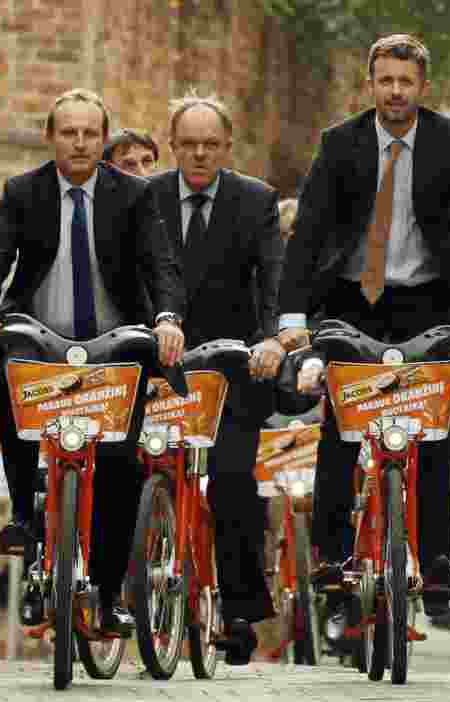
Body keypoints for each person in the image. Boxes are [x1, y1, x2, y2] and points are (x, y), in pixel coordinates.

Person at [277, 34, 450, 622]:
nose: (396, 92)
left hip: (427, 302)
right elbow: (308, 236)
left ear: (421, 87)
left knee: (432, 429)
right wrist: (294, 319)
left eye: (406, 82)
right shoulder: (340, 143)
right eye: (386, 81)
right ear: (370, 83)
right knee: (341, 423)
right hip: (351, 302)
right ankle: (331, 552)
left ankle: (433, 561)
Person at [0, 88, 185, 636]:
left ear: (102, 139)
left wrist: (167, 319)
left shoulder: (133, 196)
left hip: (116, 344)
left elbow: (159, 264)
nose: (80, 142)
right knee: (12, 368)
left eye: (90, 133)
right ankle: (22, 516)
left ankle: (108, 598)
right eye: (69, 132)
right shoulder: (23, 192)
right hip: (40, 339)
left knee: (118, 470)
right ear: (51, 137)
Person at [147, 92, 285, 664]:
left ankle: (239, 610)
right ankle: (119, 587)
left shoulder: (256, 202)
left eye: (211, 145)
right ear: (173, 146)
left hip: (234, 369)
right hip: (163, 364)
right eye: (189, 145)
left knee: (231, 482)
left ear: (227, 148)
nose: (199, 155)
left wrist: (275, 338)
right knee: (136, 472)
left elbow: (274, 276)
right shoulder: (146, 198)